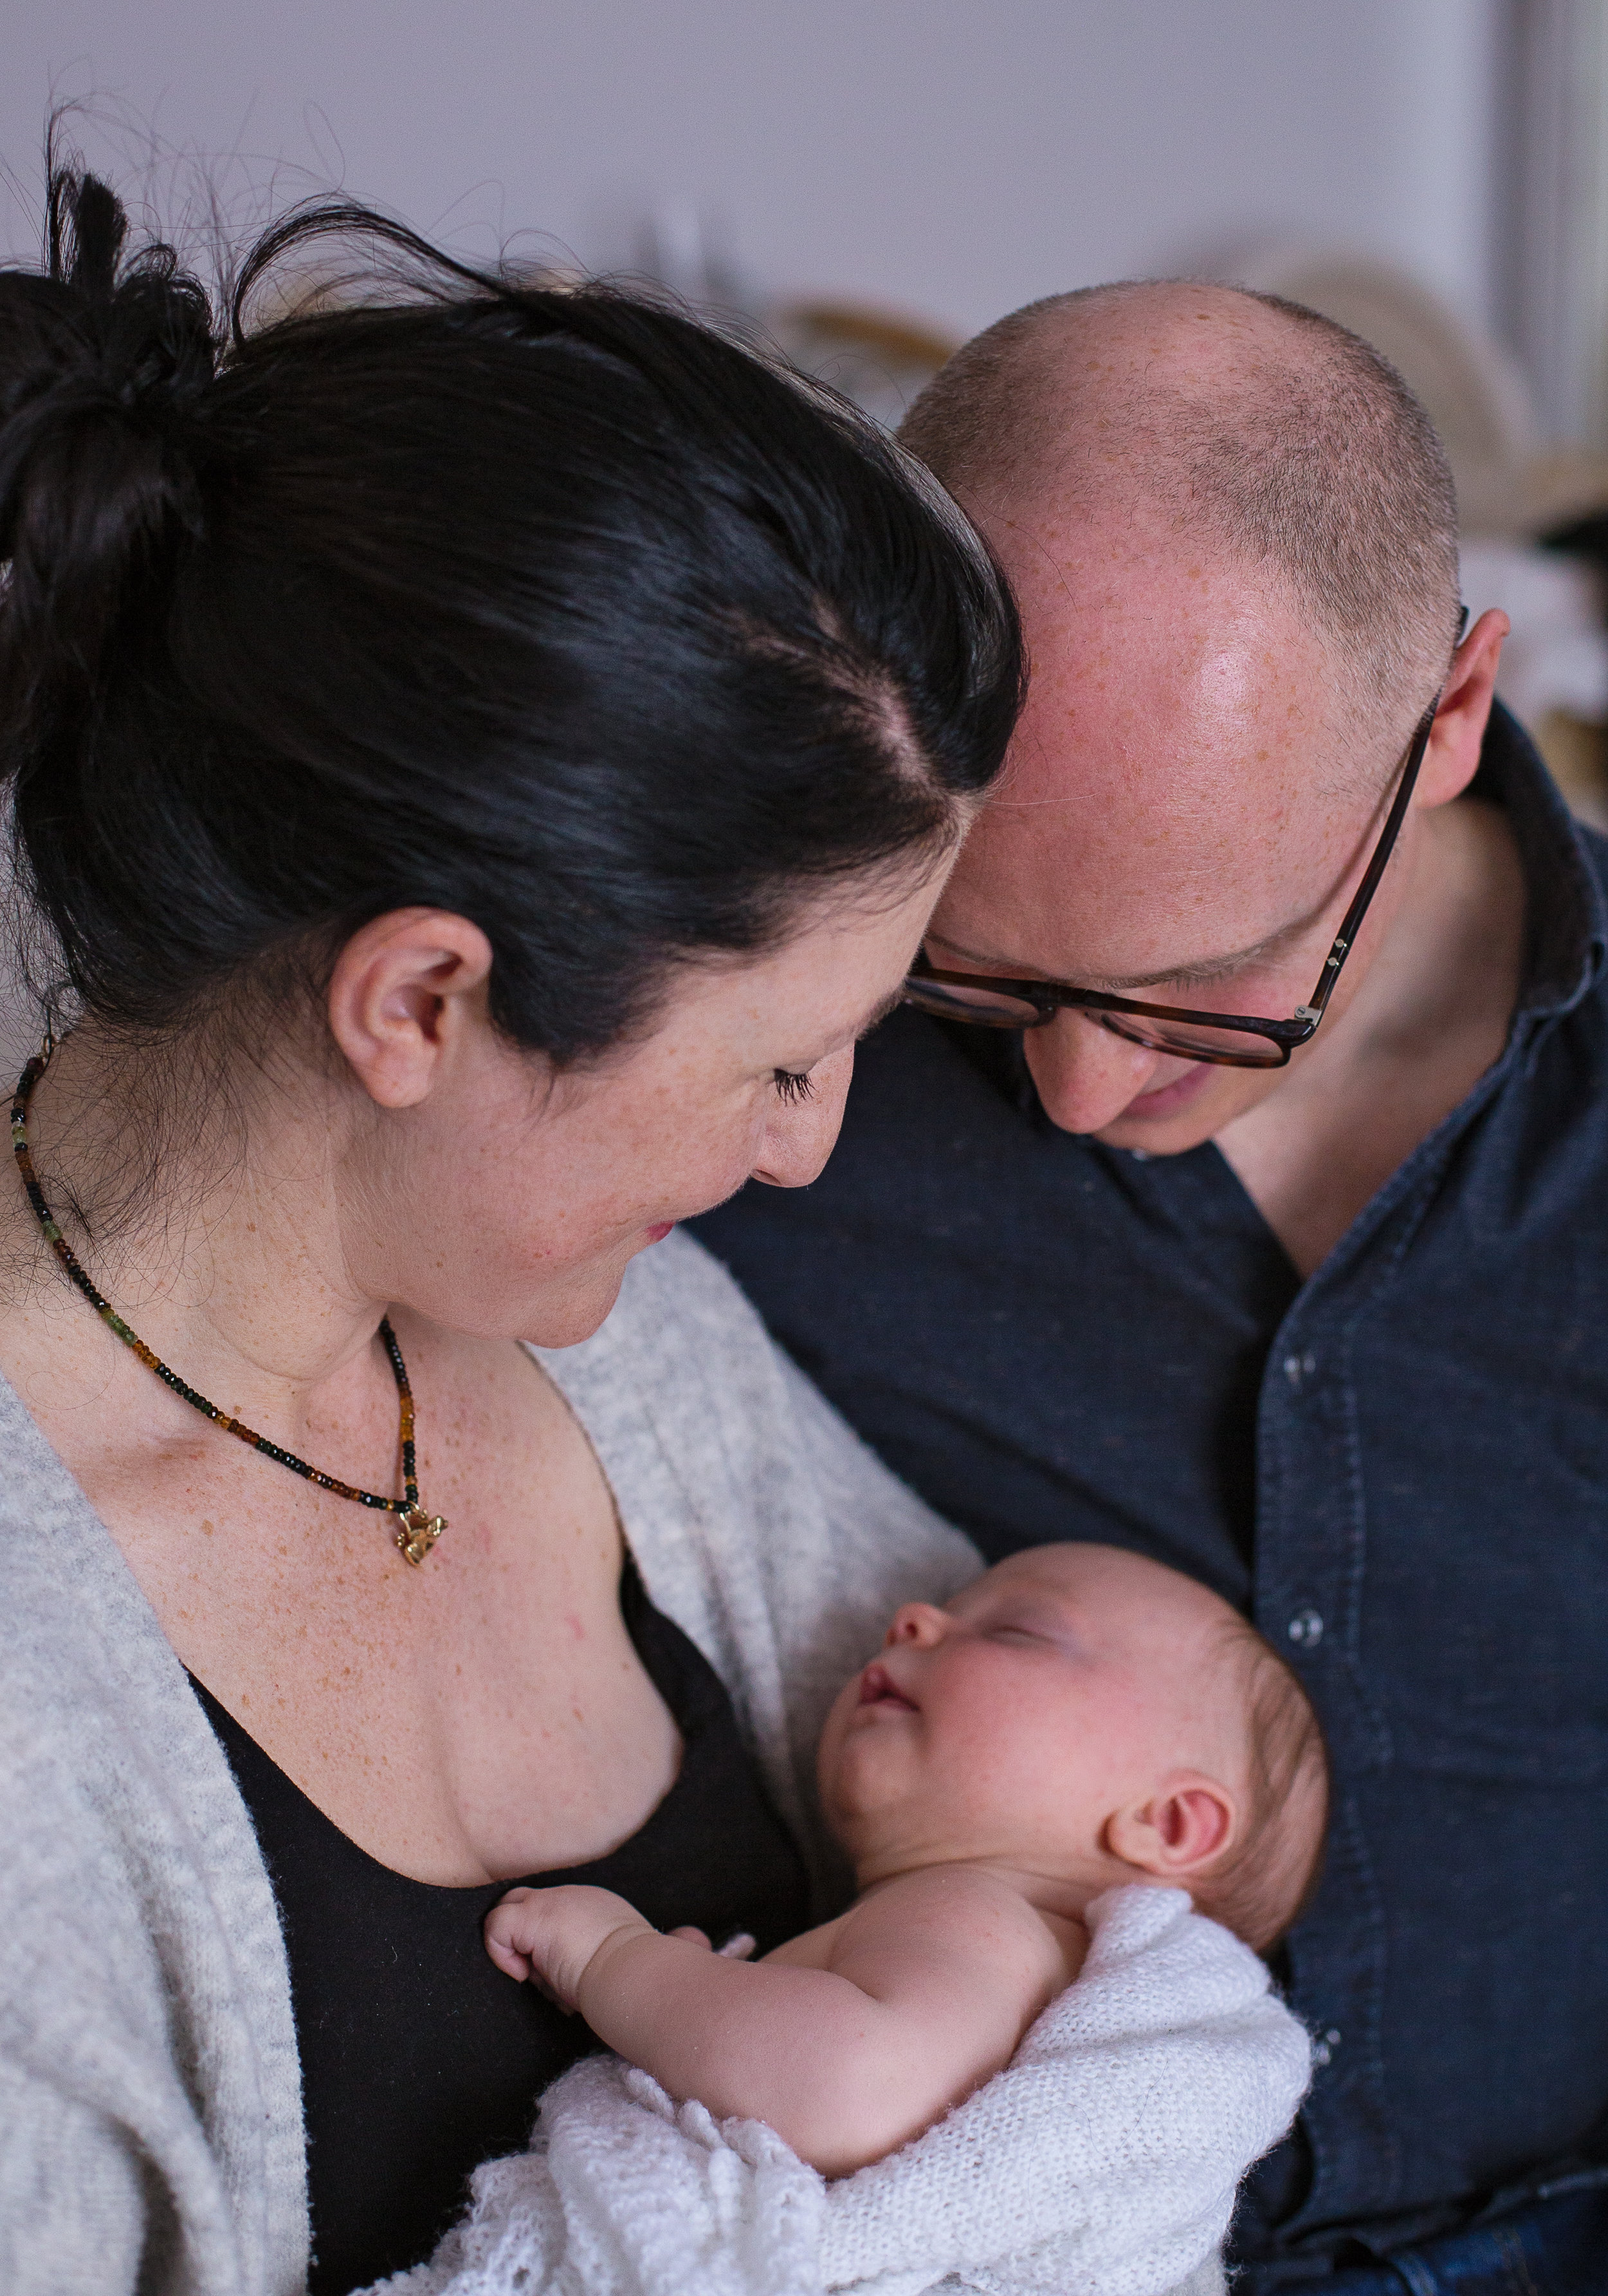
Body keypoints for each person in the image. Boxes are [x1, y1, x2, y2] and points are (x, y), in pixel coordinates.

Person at [0, 161, 1025, 2295]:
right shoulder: (39, 1718)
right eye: (773, 1062)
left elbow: (1088, 1888)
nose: (811, 1152)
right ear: (422, 1003)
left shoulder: (640, 1351)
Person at [692, 282, 1608, 2293]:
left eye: (1207, 984)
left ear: (1451, 716)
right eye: (985, 973)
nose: (1080, 1090)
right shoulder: (763, 1035)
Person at [487, 1543, 1327, 2174]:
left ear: (1169, 1823)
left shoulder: (976, 1914)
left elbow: (850, 2086)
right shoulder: (998, 1945)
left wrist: (617, 1961)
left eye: (1016, 1629)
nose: (914, 1618)